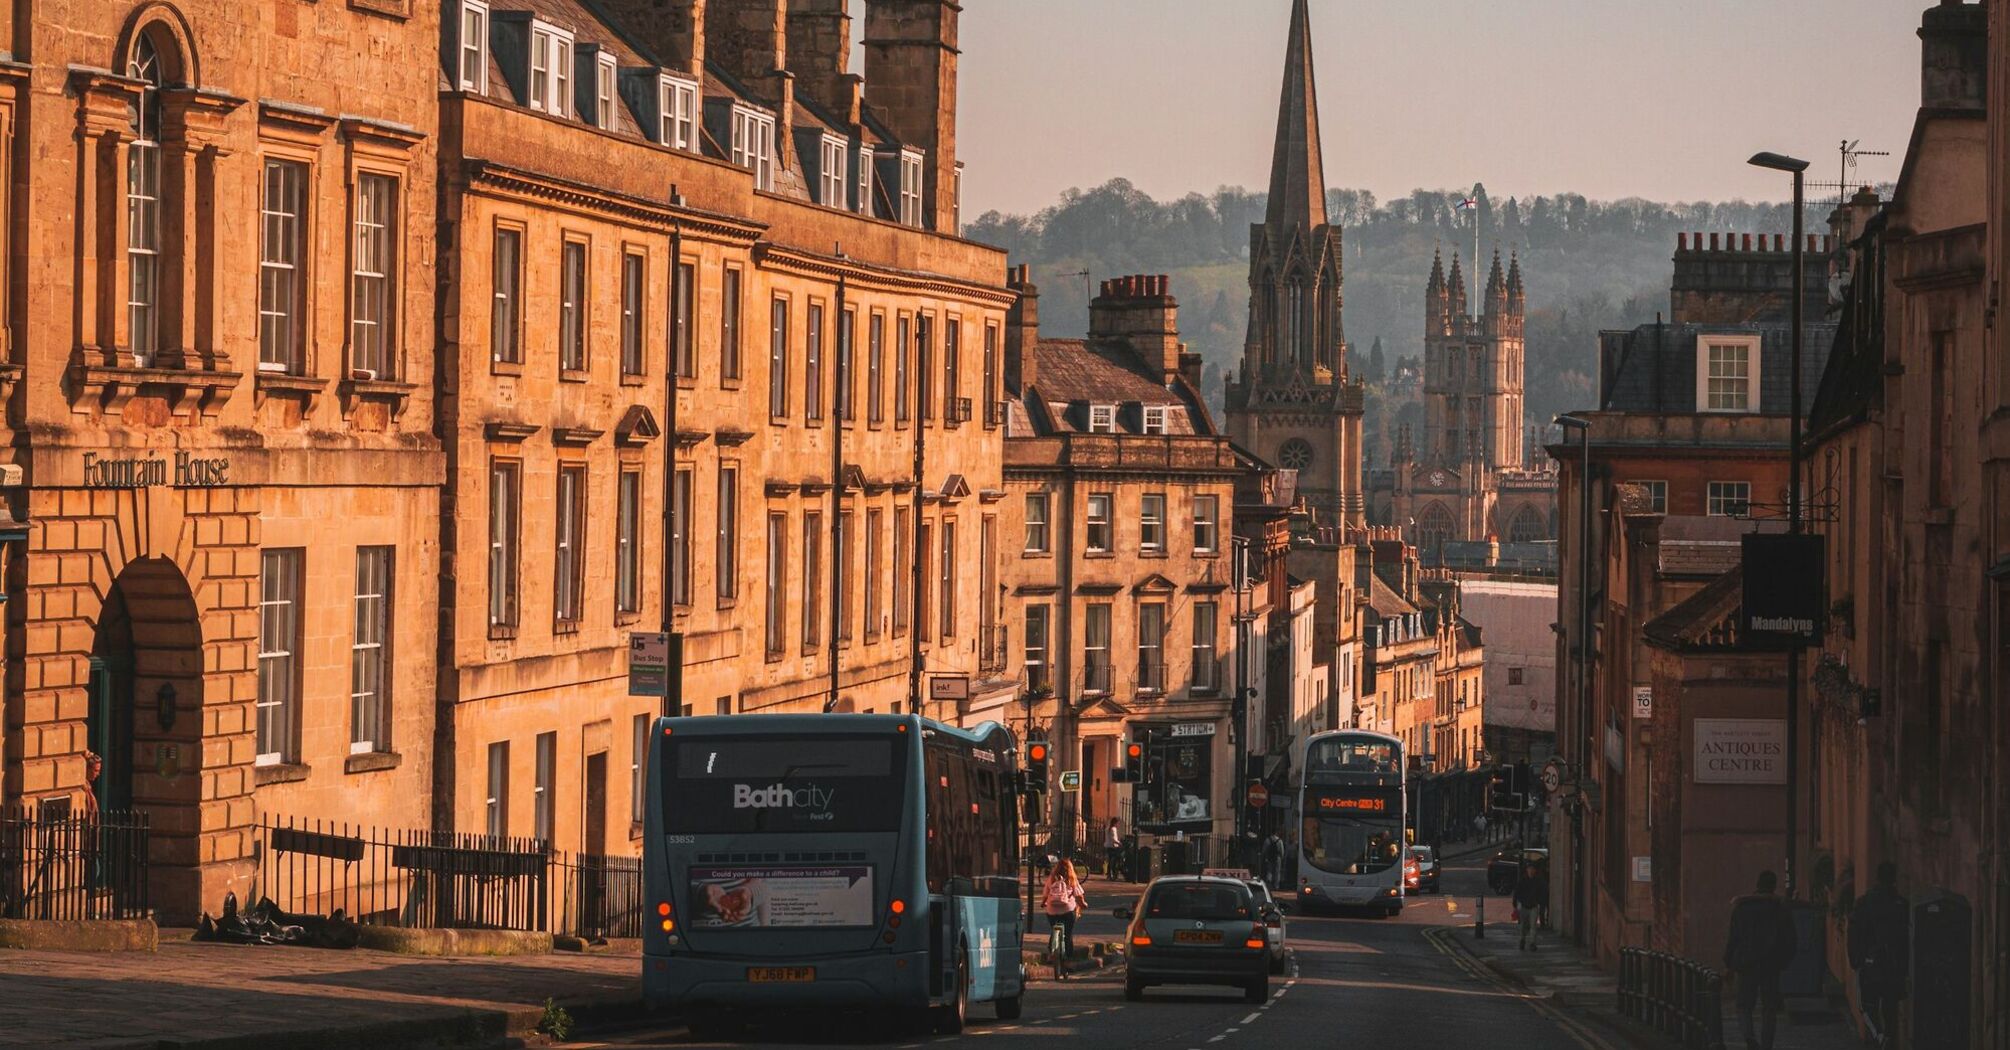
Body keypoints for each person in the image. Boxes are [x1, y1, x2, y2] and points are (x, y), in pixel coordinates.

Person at [1723, 870, 1798, 1050]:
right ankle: (1766, 1046)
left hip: (1746, 963)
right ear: (1773, 886)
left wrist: (1728, 963)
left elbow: (1733, 938)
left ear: (1757, 884)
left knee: (1743, 1005)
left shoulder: (1742, 908)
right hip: (1770, 965)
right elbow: (1790, 939)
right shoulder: (1780, 908)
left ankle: (1749, 1037)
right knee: (1769, 1008)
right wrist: (1784, 961)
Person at [1848, 862, 1908, 1048]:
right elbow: (1907, 937)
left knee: (1867, 1007)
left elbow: (1854, 932)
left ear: (1877, 877)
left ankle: (1880, 1037)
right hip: (1894, 966)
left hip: (1870, 965)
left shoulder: (1864, 902)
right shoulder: (1901, 904)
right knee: (1890, 1007)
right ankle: (1889, 1039)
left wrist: (1856, 960)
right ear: (1894, 879)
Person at [1041, 858, 1087, 979]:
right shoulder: (1072, 879)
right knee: (1068, 934)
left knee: (1053, 929)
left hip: (1052, 910)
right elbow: (1079, 896)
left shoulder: (1051, 878)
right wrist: (1083, 904)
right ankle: (1068, 961)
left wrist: (1043, 903)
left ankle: (1051, 952)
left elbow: (1045, 894)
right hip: (1067, 910)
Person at [1513, 859, 1548, 950]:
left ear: (1535, 870)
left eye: (1533, 869)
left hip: (1533, 906)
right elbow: (1517, 892)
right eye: (1530, 869)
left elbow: (1542, 892)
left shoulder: (1538, 881)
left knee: (1533, 926)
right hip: (1524, 906)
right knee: (1523, 926)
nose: (1531, 871)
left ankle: (1532, 943)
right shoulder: (1522, 881)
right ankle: (1522, 940)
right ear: (1527, 870)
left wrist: (1539, 902)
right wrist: (1515, 904)